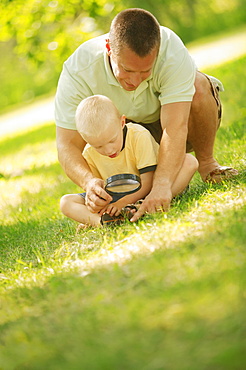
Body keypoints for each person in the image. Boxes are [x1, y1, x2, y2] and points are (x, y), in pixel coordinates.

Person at [55, 8, 238, 222]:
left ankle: (208, 165)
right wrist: (89, 182)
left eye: (145, 71)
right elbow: (66, 145)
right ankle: (137, 196)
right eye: (127, 70)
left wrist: (161, 185)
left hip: (170, 124)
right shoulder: (79, 69)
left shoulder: (171, 50)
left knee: (198, 85)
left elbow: (175, 126)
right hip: (124, 139)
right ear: (109, 49)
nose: (136, 80)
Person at [60, 95, 198, 227]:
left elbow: (148, 181)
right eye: (98, 146)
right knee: (66, 202)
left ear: (122, 122)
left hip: (151, 187)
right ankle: (103, 222)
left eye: (112, 140)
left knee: (189, 161)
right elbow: (102, 189)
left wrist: (123, 202)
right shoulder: (89, 152)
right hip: (116, 195)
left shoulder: (138, 136)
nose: (108, 150)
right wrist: (97, 202)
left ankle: (144, 205)